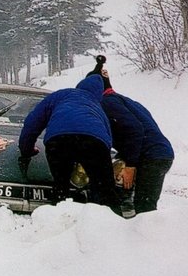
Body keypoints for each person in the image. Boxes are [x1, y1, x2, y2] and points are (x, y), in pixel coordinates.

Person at [86, 55, 174, 215]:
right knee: (141, 205)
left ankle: (150, 238)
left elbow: (135, 130)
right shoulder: (127, 101)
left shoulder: (107, 102)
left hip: (151, 156)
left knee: (144, 209)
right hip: (160, 153)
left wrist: (131, 166)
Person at [18, 75, 120, 209]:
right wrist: (100, 163)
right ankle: (104, 218)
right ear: (99, 94)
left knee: (61, 186)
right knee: (104, 190)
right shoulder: (96, 105)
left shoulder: (61, 95)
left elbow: (32, 122)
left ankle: (60, 210)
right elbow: (107, 136)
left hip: (58, 140)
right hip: (94, 142)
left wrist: (26, 150)